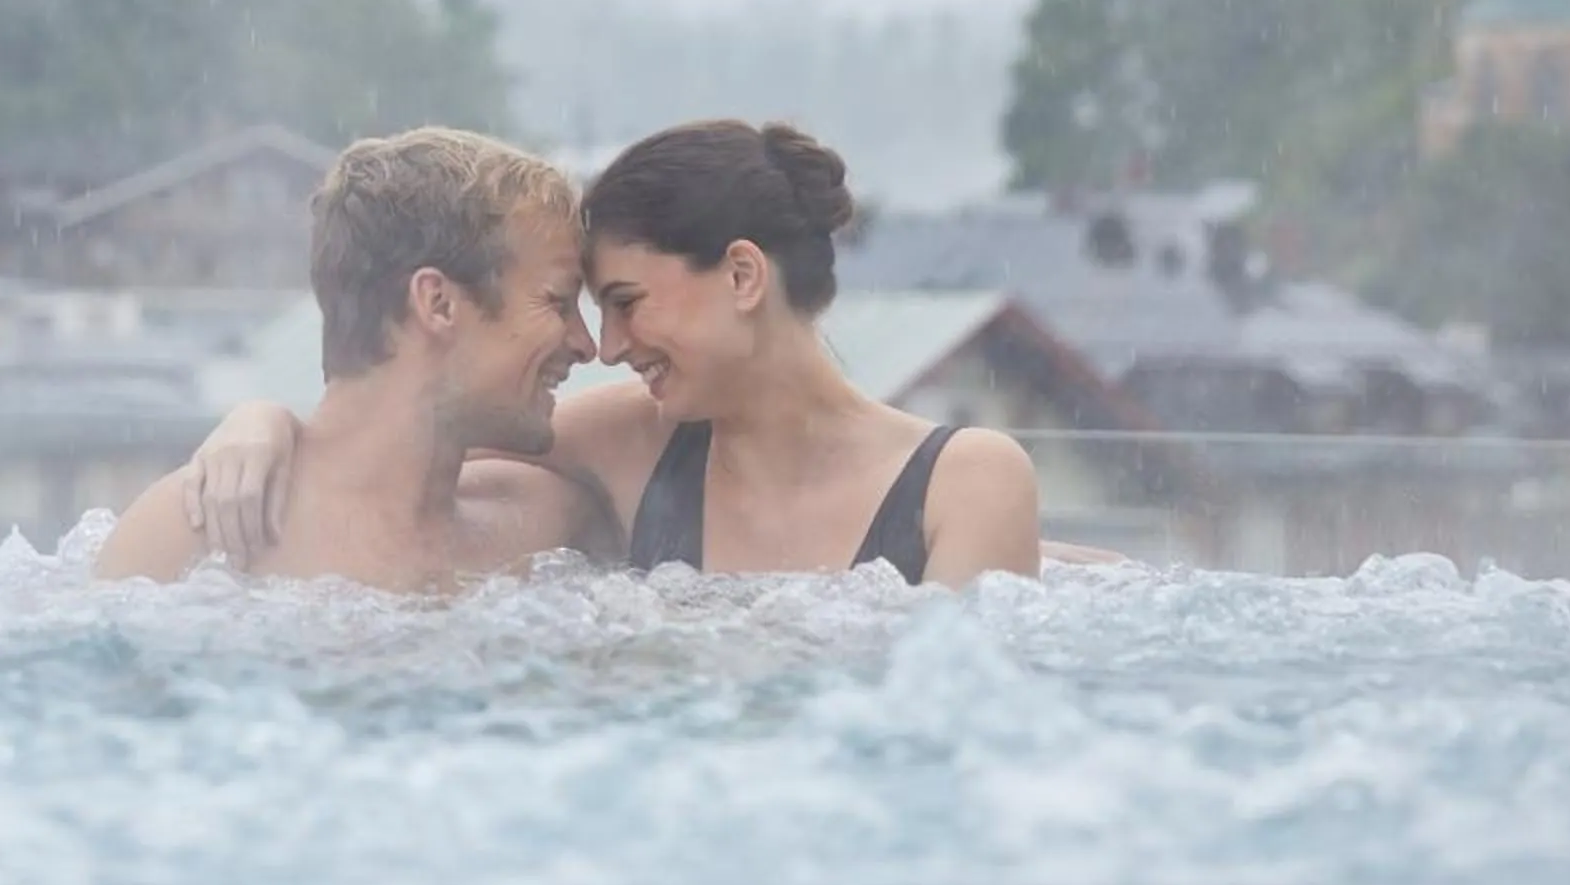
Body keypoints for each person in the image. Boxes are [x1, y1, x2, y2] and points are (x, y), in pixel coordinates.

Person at [179, 119, 1047, 586]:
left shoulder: (968, 482)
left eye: (626, 304)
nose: (606, 346)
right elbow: (401, 432)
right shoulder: (631, 442)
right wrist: (264, 424)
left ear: (742, 275)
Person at [94, 126, 610, 591]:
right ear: (438, 303)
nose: (587, 344)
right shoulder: (195, 539)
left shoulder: (548, 526)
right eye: (557, 302)